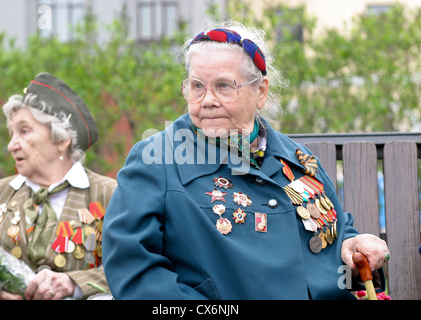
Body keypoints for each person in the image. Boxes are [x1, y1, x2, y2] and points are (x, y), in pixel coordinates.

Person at [102, 22, 389, 300]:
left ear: (260, 91)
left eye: (224, 86)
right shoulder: (156, 159)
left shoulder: (299, 160)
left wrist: (351, 244)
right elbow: (133, 268)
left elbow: (334, 235)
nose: (208, 100)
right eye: (197, 86)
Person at [0, 73, 117, 300]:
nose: (11, 145)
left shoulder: (109, 193)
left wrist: (73, 283)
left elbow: (133, 267)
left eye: (24, 130)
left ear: (61, 139)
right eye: (11, 134)